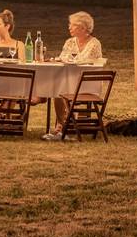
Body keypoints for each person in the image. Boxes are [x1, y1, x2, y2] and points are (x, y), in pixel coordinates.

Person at [43, 12, 104, 141]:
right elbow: (63, 58)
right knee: (57, 90)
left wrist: (69, 61)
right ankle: (62, 126)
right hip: (69, 79)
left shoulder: (94, 44)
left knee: (61, 89)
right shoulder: (70, 42)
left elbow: (86, 62)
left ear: (83, 28)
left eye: (72, 25)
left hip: (86, 82)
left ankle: (64, 127)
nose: (69, 27)